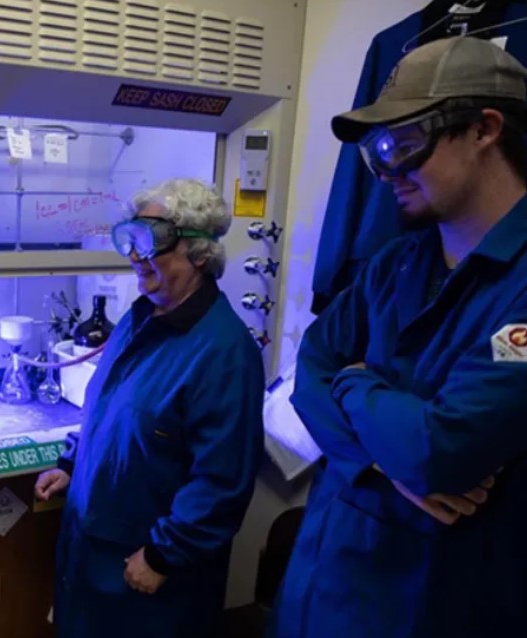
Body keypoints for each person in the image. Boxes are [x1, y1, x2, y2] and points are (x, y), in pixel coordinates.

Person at [269, 37, 527, 638]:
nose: (385, 173)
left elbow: (440, 450)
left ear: (485, 129)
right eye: (375, 154)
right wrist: (382, 465)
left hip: (426, 603)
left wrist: (355, 383)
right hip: (321, 585)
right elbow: (310, 373)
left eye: (402, 144)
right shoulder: (395, 263)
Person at [35, 178, 265, 638]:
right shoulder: (139, 319)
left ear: (199, 253)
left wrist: (163, 555)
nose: (135, 256)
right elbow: (109, 411)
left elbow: (223, 481)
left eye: (151, 242)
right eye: (132, 240)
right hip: (90, 552)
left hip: (146, 571)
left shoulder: (224, 351)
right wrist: (74, 464)